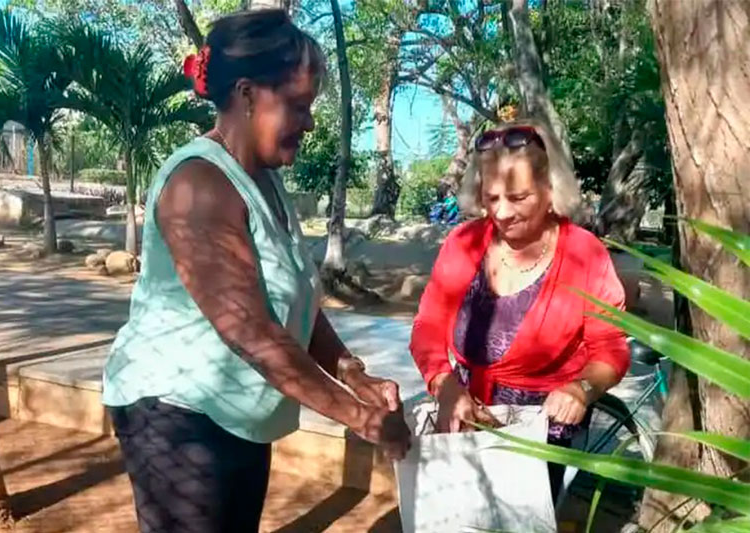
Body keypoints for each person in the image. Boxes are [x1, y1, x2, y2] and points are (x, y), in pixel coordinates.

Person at [101, 10, 410, 532]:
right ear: (247, 95)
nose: (309, 122)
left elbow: (298, 304)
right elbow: (251, 332)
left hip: (238, 415)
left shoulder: (263, 179)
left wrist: (352, 372)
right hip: (179, 417)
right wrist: (360, 417)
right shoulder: (198, 185)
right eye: (298, 105)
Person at [409, 120, 630, 499]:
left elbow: (609, 348)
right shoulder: (463, 243)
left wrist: (581, 389)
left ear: (550, 190)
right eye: (492, 198)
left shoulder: (584, 253)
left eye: (518, 197)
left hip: (541, 429)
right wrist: (445, 387)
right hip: (465, 413)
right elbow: (428, 326)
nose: (503, 212)